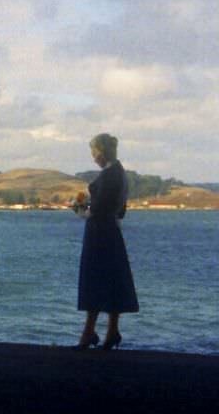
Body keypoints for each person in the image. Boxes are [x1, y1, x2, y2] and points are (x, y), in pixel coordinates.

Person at [74, 133, 138, 350]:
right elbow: (120, 210)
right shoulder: (120, 173)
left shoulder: (109, 175)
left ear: (101, 152)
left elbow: (96, 211)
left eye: (94, 153)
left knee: (94, 279)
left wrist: (78, 208)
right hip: (111, 231)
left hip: (98, 233)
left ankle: (89, 333)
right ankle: (111, 331)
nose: (93, 158)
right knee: (112, 280)